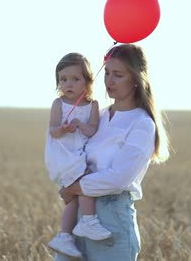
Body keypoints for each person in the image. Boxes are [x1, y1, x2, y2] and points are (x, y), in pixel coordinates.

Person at [55, 43, 170, 261]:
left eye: (118, 75)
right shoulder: (97, 115)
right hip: (79, 219)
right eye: (107, 73)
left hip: (113, 220)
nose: (109, 81)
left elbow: (118, 178)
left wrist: (73, 188)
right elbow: (73, 155)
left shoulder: (142, 124)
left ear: (136, 79)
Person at [45, 52, 113, 259]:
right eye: (63, 79)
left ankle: (64, 235)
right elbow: (53, 131)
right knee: (85, 181)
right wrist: (64, 128)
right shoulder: (59, 103)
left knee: (73, 199)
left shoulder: (92, 105)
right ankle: (89, 221)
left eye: (75, 79)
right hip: (63, 155)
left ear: (87, 81)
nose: (69, 84)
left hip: (78, 154)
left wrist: (81, 125)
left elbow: (92, 129)